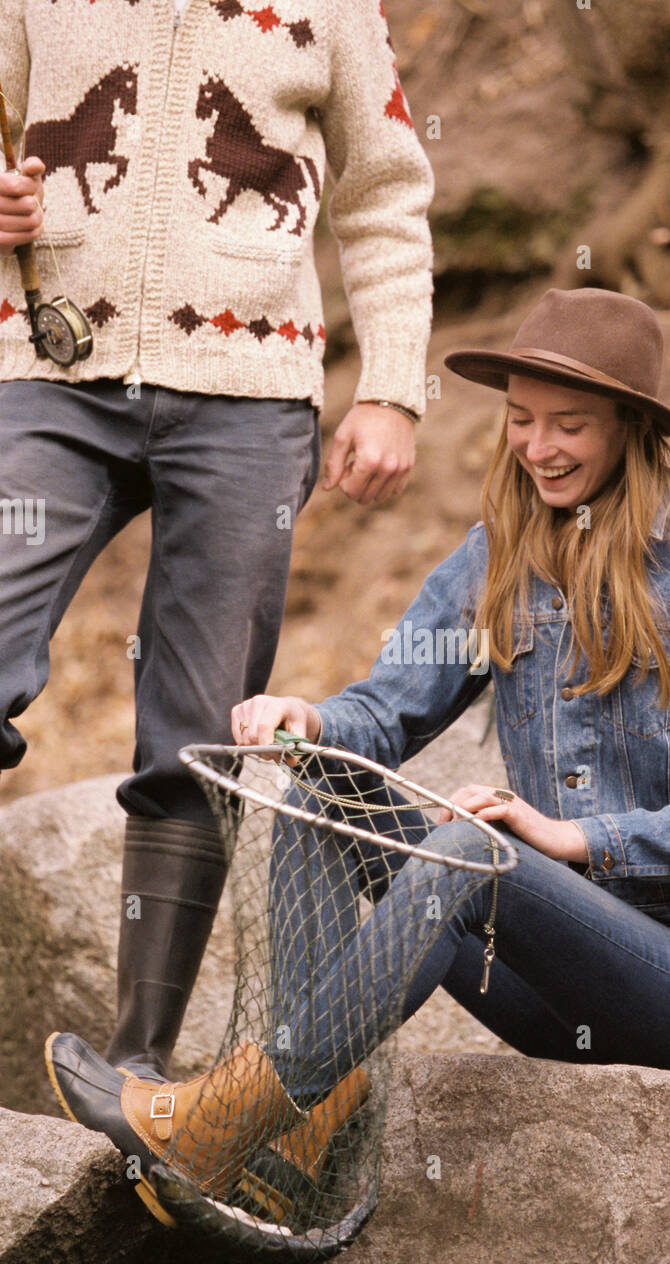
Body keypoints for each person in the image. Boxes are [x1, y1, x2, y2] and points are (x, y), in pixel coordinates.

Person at [46, 287, 670, 1197]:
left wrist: (573, 841)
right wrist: (311, 720)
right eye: (520, 420)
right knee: (326, 786)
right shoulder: (496, 556)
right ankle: (299, 1129)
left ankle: (233, 1115)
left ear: (633, 429)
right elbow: (387, 715)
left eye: (570, 426)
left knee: (463, 853)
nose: (538, 448)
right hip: (550, 996)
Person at [1, 0, 434, 1084]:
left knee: (198, 735)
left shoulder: (333, 9)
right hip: (52, 377)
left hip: (249, 402)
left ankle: (135, 1064)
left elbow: (384, 191)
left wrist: (391, 390)